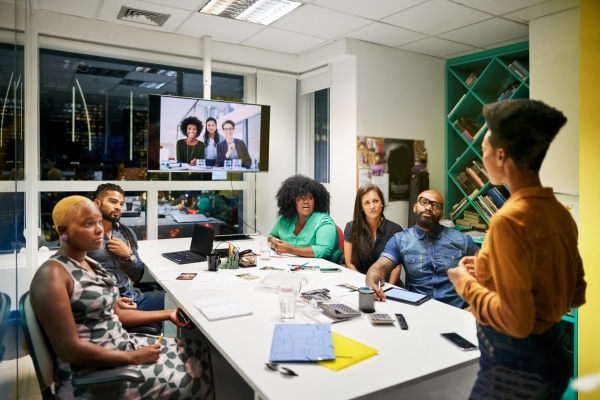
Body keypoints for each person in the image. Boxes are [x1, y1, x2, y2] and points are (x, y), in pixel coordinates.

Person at [447, 99, 586, 399]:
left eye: (483, 150)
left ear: (501, 155)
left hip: (513, 372)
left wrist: (466, 284)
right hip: (551, 362)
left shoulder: (507, 221)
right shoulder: (560, 213)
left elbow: (517, 321)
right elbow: (574, 291)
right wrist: (490, 270)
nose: (481, 156)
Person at [30, 195, 214, 399]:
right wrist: (132, 357)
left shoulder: (89, 264)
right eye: (89, 224)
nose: (100, 229)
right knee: (197, 373)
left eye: (99, 221)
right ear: (64, 232)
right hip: (99, 376)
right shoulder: (53, 274)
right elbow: (69, 350)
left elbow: (116, 314)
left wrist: (169, 313)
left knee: (200, 349)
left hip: (122, 348)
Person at [365, 190, 479, 308]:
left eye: (436, 205)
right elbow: (378, 268)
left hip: (457, 310)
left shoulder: (463, 240)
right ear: (415, 208)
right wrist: (372, 283)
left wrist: (474, 307)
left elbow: (488, 271)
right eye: (423, 202)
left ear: (441, 214)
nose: (429, 207)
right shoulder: (401, 240)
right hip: (420, 309)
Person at [88, 183, 164, 311]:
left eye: (121, 204)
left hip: (130, 298)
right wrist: (111, 302)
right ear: (96, 203)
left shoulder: (126, 233)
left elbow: (137, 277)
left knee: (172, 301)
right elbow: (76, 281)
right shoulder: (85, 235)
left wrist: (129, 255)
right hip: (102, 304)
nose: (118, 207)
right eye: (113, 202)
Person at [267, 174, 342, 263]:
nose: (306, 202)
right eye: (301, 198)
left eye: (310, 198)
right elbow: (271, 236)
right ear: (292, 201)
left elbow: (323, 250)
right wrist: (276, 244)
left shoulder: (324, 221)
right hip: (288, 264)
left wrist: (290, 249)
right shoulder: (285, 219)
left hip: (321, 268)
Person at [344, 183, 403, 284]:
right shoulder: (351, 228)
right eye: (366, 203)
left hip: (387, 284)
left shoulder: (395, 230)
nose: (372, 206)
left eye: (375, 201)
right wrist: (366, 286)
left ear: (382, 203)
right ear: (361, 207)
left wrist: (390, 288)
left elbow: (396, 267)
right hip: (360, 282)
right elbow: (350, 263)